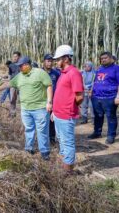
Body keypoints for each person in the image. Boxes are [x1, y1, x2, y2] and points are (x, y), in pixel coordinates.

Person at [0, 56, 53, 160]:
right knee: (28, 129)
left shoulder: (40, 73)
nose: (19, 68)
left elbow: (49, 85)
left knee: (42, 131)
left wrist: (49, 102)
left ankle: (44, 152)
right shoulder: (19, 76)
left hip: (40, 109)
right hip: (26, 109)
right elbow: (8, 84)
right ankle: (29, 149)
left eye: (21, 66)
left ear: (27, 65)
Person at [52, 45, 84, 174]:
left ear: (66, 58)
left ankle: (67, 172)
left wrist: (70, 107)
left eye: (58, 59)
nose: (56, 61)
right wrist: (55, 111)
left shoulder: (74, 73)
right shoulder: (63, 73)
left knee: (68, 142)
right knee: (61, 141)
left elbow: (80, 96)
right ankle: (64, 164)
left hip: (66, 115)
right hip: (58, 114)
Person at [88, 52, 119, 144]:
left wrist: (118, 96)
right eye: (101, 58)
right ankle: (97, 132)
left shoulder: (116, 69)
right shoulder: (99, 69)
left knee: (111, 117)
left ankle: (111, 136)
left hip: (110, 97)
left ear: (110, 58)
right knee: (98, 116)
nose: (103, 60)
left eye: (105, 58)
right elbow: (95, 81)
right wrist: (91, 91)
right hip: (96, 97)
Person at [42, 54, 60, 144]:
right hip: (41, 100)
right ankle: (43, 139)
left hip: (53, 100)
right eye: (48, 61)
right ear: (44, 61)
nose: (50, 63)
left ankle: (52, 138)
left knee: (52, 120)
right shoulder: (39, 72)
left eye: (51, 61)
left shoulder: (56, 73)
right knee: (42, 121)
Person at [9, 51, 21, 117]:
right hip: (13, 85)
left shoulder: (22, 65)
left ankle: (24, 115)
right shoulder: (11, 65)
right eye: (13, 56)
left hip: (21, 85)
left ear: (19, 57)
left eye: (16, 56)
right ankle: (12, 113)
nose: (14, 58)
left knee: (22, 100)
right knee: (12, 99)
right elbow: (10, 74)